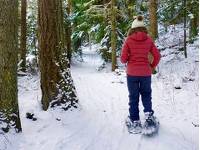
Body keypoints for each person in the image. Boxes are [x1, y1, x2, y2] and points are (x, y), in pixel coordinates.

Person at [120, 15, 161, 134]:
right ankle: (149, 117)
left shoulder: (128, 40)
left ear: (132, 28)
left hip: (132, 73)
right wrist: (151, 66)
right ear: (143, 28)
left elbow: (123, 59)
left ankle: (135, 121)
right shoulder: (148, 40)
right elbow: (157, 56)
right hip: (145, 73)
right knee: (146, 94)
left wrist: (128, 57)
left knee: (133, 97)